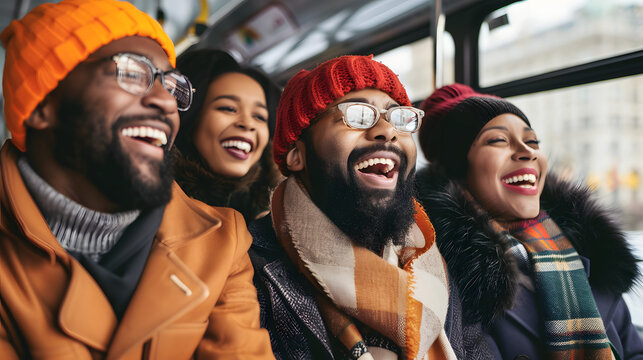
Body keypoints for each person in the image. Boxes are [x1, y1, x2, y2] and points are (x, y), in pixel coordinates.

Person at [0, 0, 273, 358]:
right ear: (41, 105)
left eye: (173, 87)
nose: (165, 101)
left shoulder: (221, 242)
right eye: (130, 73)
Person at [249, 55, 491, 359]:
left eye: (398, 118)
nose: (387, 131)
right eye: (358, 115)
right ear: (297, 155)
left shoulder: (431, 260)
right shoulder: (251, 266)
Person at [414, 83, 643, 359]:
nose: (528, 152)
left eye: (533, 142)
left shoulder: (593, 251)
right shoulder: (445, 273)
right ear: (458, 170)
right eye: (498, 140)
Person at [173, 49, 282, 222]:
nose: (247, 124)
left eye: (259, 117)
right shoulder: (149, 201)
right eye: (229, 108)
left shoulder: (273, 222)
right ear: (192, 117)